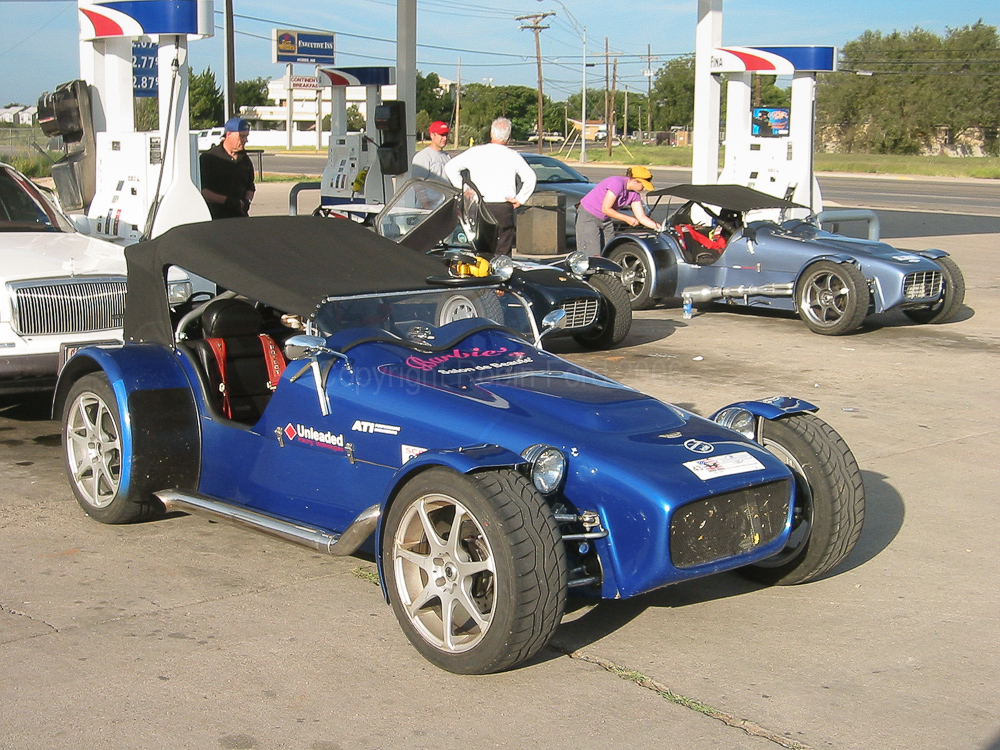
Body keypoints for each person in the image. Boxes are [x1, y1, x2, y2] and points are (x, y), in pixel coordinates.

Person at [444, 117, 536, 255]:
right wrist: (520, 199)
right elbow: (530, 177)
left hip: (479, 205)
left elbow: (450, 167)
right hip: (503, 208)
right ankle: (501, 273)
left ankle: (480, 274)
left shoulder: (475, 152)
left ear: (491, 134)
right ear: (509, 137)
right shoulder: (512, 155)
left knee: (480, 249)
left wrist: (464, 190)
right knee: (502, 250)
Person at [575, 166, 662, 256]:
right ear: (635, 181)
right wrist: (627, 219)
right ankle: (589, 270)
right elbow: (606, 209)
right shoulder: (617, 183)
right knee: (592, 254)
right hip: (588, 216)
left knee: (610, 251)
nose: (644, 189)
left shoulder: (634, 194)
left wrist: (658, 227)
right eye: (643, 186)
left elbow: (642, 217)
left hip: (605, 220)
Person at [200, 117, 256, 219]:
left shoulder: (244, 159)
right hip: (215, 218)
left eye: (246, 136)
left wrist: (247, 201)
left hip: (240, 217)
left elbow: (250, 186)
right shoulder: (209, 158)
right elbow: (204, 191)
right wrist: (228, 201)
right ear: (229, 134)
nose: (245, 140)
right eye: (242, 136)